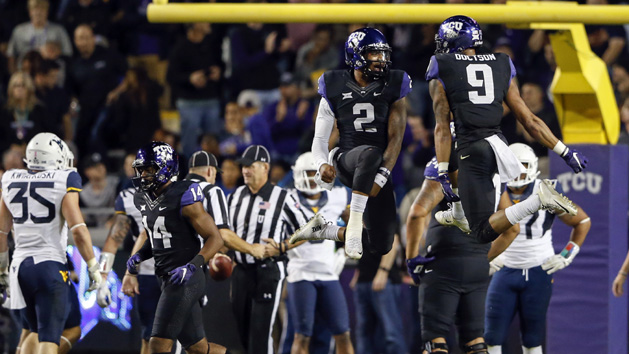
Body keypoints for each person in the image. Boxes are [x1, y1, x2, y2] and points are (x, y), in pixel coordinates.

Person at [427, 15, 587, 246]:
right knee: (472, 206)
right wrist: (565, 151)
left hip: (471, 148)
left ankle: (538, 199)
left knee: (482, 231)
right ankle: (458, 211)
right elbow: (529, 119)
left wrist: (441, 170)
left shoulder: (441, 65)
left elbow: (442, 127)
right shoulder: (501, 62)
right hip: (498, 147)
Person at [291, 27, 412, 260]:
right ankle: (355, 221)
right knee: (370, 153)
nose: (381, 60)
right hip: (346, 159)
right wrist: (321, 164)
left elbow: (396, 138)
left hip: (379, 165)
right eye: (373, 54)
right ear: (356, 56)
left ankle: (324, 229)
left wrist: (381, 176)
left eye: (382, 54)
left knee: (381, 244)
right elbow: (320, 138)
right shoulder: (334, 83)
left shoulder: (394, 82)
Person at [0, 132, 102, 354]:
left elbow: (1, 231)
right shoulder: (64, 179)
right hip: (49, 266)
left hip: (19, 267)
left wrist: (2, 271)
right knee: (49, 337)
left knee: (32, 331)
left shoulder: (10, 178)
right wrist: (94, 269)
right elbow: (79, 231)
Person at [405, 156, 519, 354]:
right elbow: (513, 229)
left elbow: (416, 213)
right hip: (477, 265)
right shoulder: (493, 168)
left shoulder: (444, 163)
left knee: (435, 342)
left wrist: (412, 258)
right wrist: (483, 258)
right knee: (475, 343)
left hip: (442, 262)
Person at [484, 143, 590, 354]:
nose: (517, 171)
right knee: (491, 337)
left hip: (538, 270)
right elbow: (477, 228)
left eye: (521, 165)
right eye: (511, 165)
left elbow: (582, 221)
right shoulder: (493, 188)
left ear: (531, 166)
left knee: (533, 339)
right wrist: (487, 253)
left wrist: (567, 255)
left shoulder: (547, 190)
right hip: (504, 269)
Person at [124, 141, 227, 354]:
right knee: (199, 349)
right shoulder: (141, 197)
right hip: (165, 277)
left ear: (166, 167)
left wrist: (192, 266)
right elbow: (158, 238)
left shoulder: (184, 194)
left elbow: (215, 238)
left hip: (185, 279)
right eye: (142, 169)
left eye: (150, 169)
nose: (144, 175)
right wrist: (139, 256)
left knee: (157, 345)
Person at [226, 145, 310, 354]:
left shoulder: (282, 196)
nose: (245, 170)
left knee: (261, 332)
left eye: (250, 166)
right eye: (243, 166)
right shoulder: (234, 196)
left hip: (268, 269)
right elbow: (226, 232)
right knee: (242, 331)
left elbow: (312, 227)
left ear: (265, 167)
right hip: (241, 271)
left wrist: (281, 247)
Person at [270, 152, 354, 354]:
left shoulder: (338, 196)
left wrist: (345, 250)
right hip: (301, 274)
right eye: (308, 173)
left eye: (316, 173)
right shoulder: (286, 199)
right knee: (302, 335)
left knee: (343, 333)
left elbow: (355, 223)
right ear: (297, 175)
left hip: (329, 274)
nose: (312, 178)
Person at [185, 150, 266, 260]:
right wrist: (252, 249)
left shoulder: (173, 190)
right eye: (215, 173)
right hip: (195, 265)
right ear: (209, 171)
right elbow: (222, 234)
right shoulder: (211, 190)